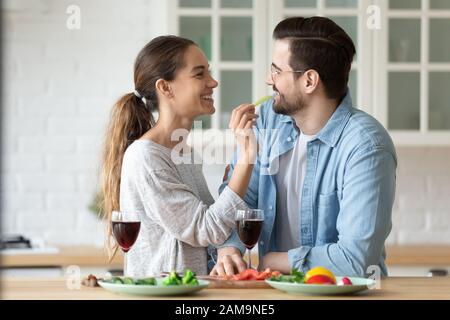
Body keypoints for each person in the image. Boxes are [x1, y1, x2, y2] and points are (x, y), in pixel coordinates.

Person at [211, 16, 397, 277]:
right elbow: (239, 201)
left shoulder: (366, 146)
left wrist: (273, 261)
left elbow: (356, 260)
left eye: (277, 71)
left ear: (309, 81)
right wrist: (228, 247)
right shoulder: (267, 120)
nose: (268, 79)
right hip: (272, 293)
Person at [100, 35, 258, 276]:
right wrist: (246, 158)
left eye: (209, 72)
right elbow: (207, 229)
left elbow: (209, 232)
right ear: (165, 87)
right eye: (199, 74)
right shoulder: (146, 157)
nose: (213, 82)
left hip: (189, 292)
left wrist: (227, 251)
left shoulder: (184, 153)